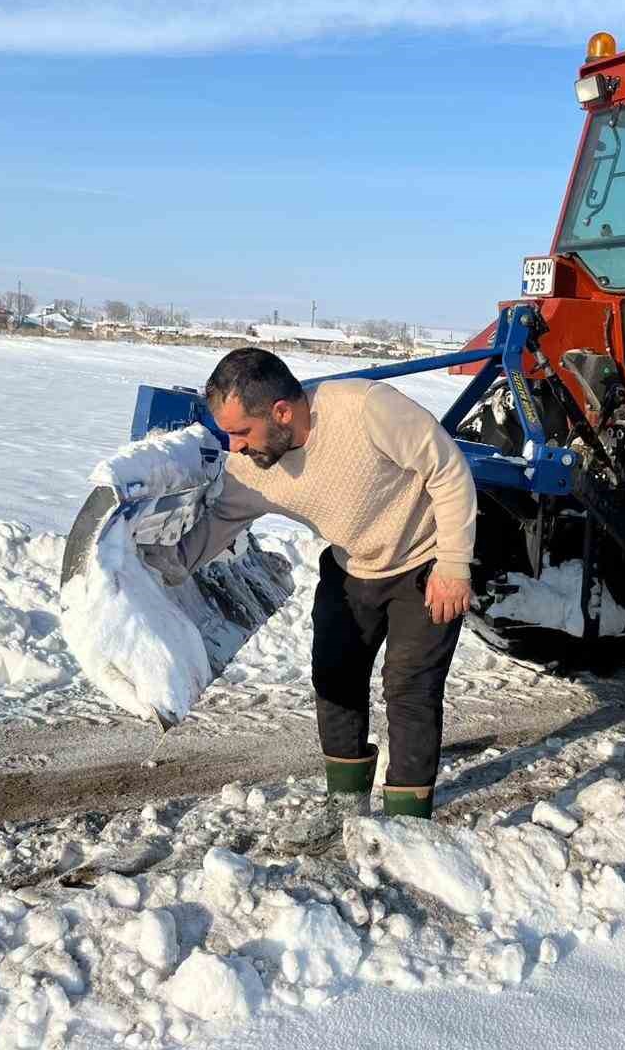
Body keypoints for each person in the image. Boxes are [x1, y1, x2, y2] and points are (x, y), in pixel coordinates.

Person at [169, 347, 477, 841]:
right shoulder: (252, 466)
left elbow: (449, 470)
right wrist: (164, 570)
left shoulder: (365, 409)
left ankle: (406, 830)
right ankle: (345, 808)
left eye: (242, 431)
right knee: (335, 675)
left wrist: (454, 565)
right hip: (353, 566)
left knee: (410, 690)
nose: (235, 445)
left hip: (424, 561)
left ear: (282, 412)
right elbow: (219, 523)